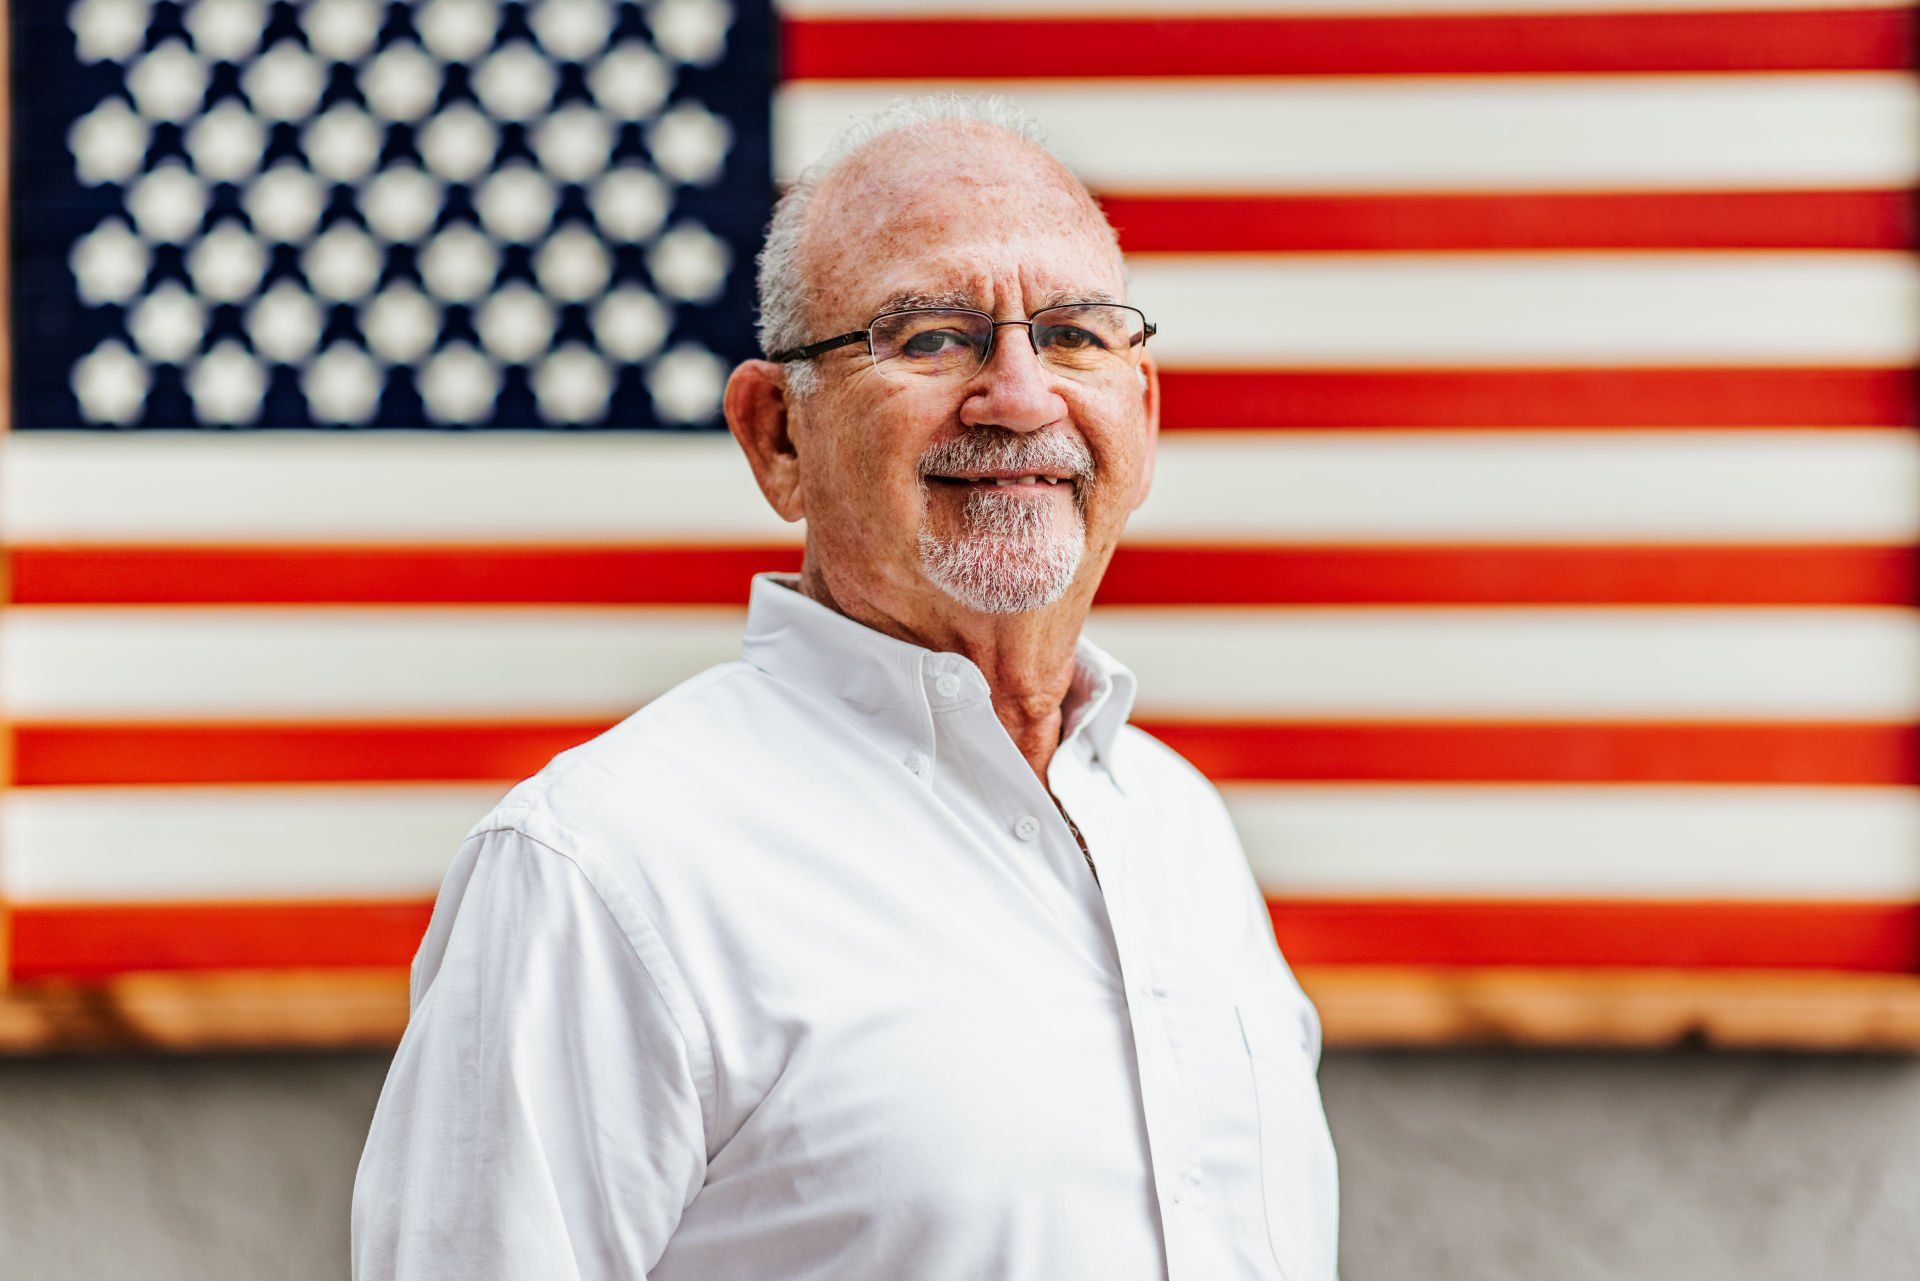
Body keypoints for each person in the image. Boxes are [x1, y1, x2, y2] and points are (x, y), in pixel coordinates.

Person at [352, 96, 1339, 1281]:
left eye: (1074, 334)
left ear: (1146, 409)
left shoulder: (1176, 827)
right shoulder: (604, 866)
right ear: (778, 438)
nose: (1020, 396)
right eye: (930, 337)